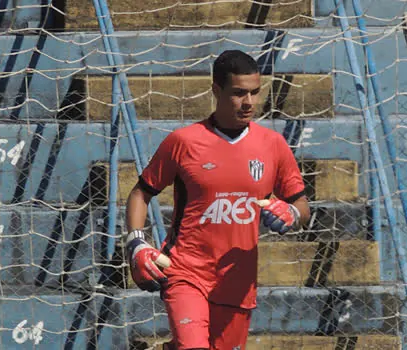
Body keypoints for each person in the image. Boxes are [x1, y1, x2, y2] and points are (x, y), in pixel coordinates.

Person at [125, 49, 310, 350]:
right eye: (238, 93)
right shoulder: (183, 142)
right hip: (186, 272)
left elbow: (303, 209)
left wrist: (291, 212)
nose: (249, 102)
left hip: (238, 283)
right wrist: (135, 242)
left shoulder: (273, 145)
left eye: (254, 92)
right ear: (216, 90)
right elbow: (140, 193)